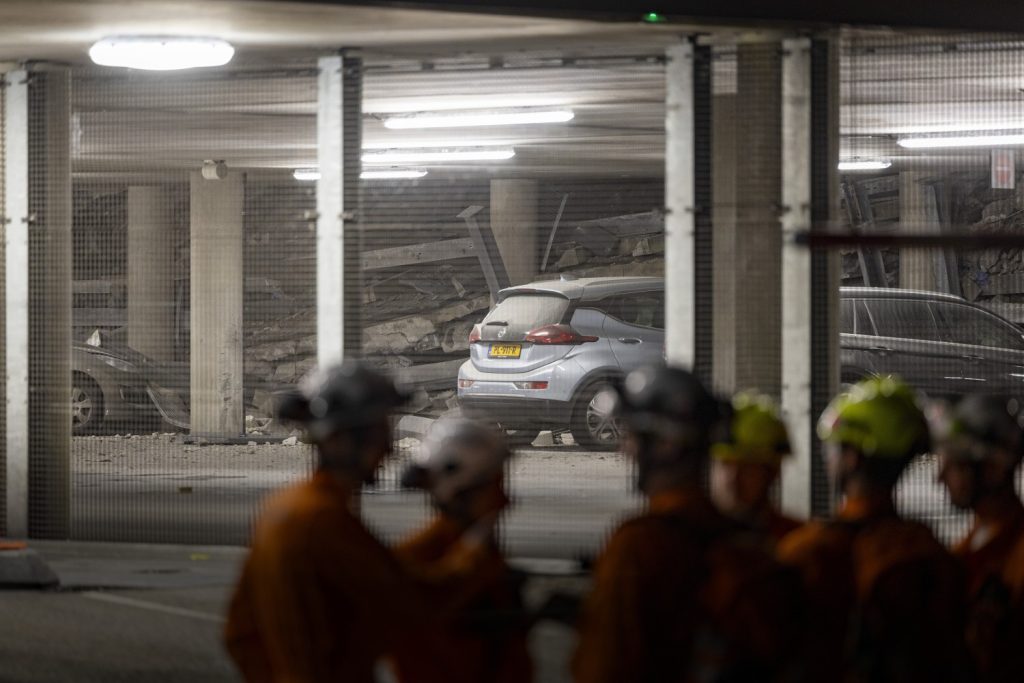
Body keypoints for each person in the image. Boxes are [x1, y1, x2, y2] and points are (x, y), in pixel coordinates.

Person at [223, 362, 500, 683]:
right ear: (341, 440)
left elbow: (240, 634)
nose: (389, 448)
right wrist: (475, 547)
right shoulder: (322, 520)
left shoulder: (287, 508)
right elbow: (418, 602)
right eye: (380, 434)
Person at [572, 366, 801, 683]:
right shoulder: (743, 541)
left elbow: (605, 668)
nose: (626, 450)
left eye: (635, 437)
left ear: (666, 445)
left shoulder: (639, 545)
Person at [777, 376, 970, 683]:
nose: (828, 459)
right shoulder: (931, 553)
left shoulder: (809, 552)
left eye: (834, 449)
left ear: (852, 457)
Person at [391, 417, 532, 683]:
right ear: (460, 489)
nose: (505, 500)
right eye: (495, 485)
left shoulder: (466, 548)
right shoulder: (425, 557)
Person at [933, 394, 1024, 681]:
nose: (940, 478)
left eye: (955, 465)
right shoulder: (973, 542)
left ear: (993, 469)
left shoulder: (1016, 557)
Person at [710, 391, 800, 544]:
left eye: (747, 467)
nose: (732, 478)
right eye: (725, 464)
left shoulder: (796, 545)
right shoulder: (685, 544)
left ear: (773, 472)